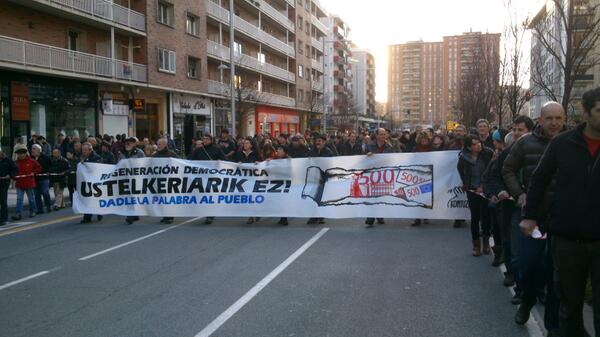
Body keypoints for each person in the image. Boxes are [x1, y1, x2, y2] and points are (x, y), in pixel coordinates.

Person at [520, 88, 600, 337]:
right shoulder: (562, 144)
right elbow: (540, 179)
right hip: (567, 239)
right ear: (586, 113)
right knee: (570, 307)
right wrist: (529, 215)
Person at [502, 102, 564, 333]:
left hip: (561, 217)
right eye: (549, 118)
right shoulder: (525, 143)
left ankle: (553, 327)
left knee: (555, 273)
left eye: (559, 118)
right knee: (529, 267)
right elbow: (507, 169)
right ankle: (527, 302)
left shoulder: (569, 143)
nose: (554, 123)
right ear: (539, 119)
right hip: (532, 217)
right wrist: (520, 194)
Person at [457, 135, 493, 256]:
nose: (478, 145)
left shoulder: (487, 154)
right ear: (468, 147)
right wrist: (466, 184)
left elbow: (490, 171)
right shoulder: (463, 157)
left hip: (485, 190)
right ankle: (476, 245)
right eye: (474, 144)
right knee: (475, 217)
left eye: (479, 143)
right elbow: (460, 170)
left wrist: (483, 185)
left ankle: (486, 243)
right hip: (472, 190)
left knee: (486, 216)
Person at [482, 128, 510, 267]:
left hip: (508, 200)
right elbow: (487, 177)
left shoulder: (507, 156)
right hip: (496, 200)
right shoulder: (495, 156)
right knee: (497, 230)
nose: (493, 142)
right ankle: (499, 254)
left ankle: (508, 261)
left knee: (506, 232)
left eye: (494, 140)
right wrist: (490, 194)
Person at [189, 134, 225, 225]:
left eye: (207, 139)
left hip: (213, 177)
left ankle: (210, 215)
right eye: (203, 139)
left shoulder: (216, 149)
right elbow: (190, 160)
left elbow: (224, 160)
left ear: (211, 140)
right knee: (203, 195)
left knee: (210, 195)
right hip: (201, 177)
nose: (205, 140)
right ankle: (207, 212)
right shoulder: (198, 150)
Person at [365, 128, 394, 228]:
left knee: (381, 195)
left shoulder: (389, 147)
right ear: (376, 136)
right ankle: (371, 218)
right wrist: (367, 156)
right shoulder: (370, 146)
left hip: (384, 175)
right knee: (372, 196)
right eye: (381, 134)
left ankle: (380, 215)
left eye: (384, 134)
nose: (383, 136)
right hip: (372, 175)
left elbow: (394, 158)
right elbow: (362, 159)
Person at [307, 134, 334, 225]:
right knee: (313, 197)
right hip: (313, 177)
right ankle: (313, 216)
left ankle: (320, 215)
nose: (318, 142)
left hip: (323, 178)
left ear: (324, 142)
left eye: (320, 141)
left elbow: (332, 163)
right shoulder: (311, 152)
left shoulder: (328, 152)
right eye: (317, 141)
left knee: (321, 197)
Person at [153, 138, 179, 224]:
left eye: (159, 144)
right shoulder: (155, 155)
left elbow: (179, 164)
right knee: (161, 198)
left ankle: (170, 216)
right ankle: (165, 215)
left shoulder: (172, 154)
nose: (158, 146)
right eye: (157, 144)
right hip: (159, 180)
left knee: (168, 198)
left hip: (169, 180)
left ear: (165, 144)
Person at [119, 137, 145, 225]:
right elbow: (119, 164)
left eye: (130, 143)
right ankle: (134, 214)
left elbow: (144, 164)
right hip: (125, 178)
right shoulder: (122, 152)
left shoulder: (139, 152)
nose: (128, 144)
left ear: (134, 144)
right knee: (128, 196)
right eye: (126, 142)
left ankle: (131, 215)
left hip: (136, 178)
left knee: (135, 195)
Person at [12, 144, 40, 220]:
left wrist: (33, 173)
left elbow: (38, 168)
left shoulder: (31, 161)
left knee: (31, 198)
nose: (20, 155)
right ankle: (18, 213)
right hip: (19, 183)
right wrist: (14, 177)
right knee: (19, 199)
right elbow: (13, 171)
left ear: (25, 153)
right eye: (18, 154)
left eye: (21, 154)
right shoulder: (16, 162)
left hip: (29, 183)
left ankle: (33, 211)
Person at [80, 143, 103, 223]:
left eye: (85, 150)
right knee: (88, 199)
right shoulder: (82, 157)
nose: (83, 152)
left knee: (96, 198)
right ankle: (87, 217)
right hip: (87, 182)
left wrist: (86, 163)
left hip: (96, 183)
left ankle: (100, 212)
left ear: (90, 150)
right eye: (83, 150)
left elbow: (97, 167)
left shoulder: (96, 157)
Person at [31, 144, 53, 214]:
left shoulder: (46, 157)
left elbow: (51, 165)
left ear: (39, 150)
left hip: (44, 178)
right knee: (36, 194)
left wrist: (49, 172)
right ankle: (39, 209)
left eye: (34, 149)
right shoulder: (31, 158)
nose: (32, 150)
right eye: (32, 148)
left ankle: (48, 205)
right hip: (35, 179)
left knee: (45, 192)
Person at [0, 149, 17, 226]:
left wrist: (10, 175)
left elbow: (15, 168)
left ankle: (4, 218)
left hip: (4, 183)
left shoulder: (8, 160)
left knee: (3, 201)